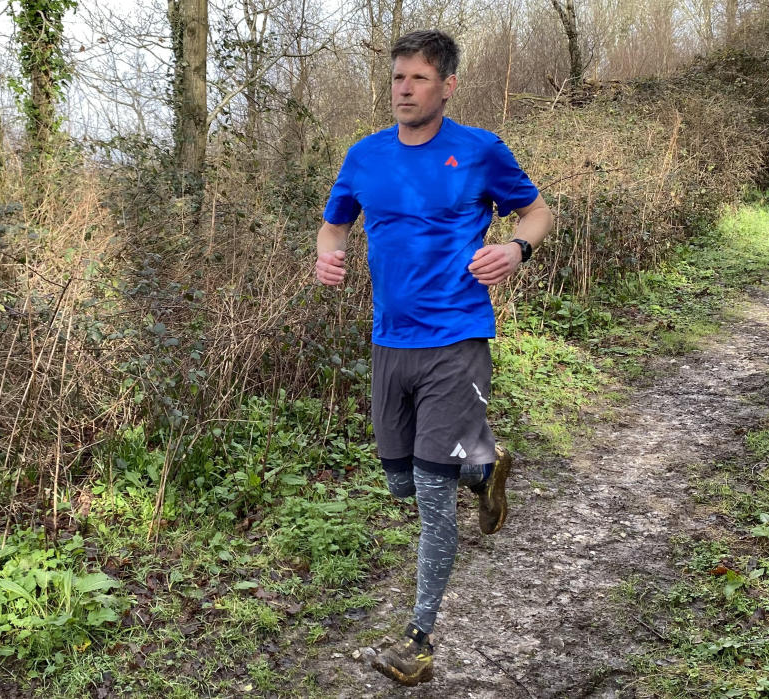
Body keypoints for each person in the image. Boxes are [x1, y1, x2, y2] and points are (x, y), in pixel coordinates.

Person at [314, 29, 553, 687]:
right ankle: (485, 466)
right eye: (397, 78)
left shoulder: (478, 151)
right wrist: (325, 252)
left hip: (457, 340)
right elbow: (335, 222)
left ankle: (419, 640)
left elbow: (537, 213)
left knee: (428, 495)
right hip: (390, 343)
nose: (404, 89)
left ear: (447, 85)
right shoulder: (364, 157)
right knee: (399, 480)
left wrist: (516, 249)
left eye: (419, 78)